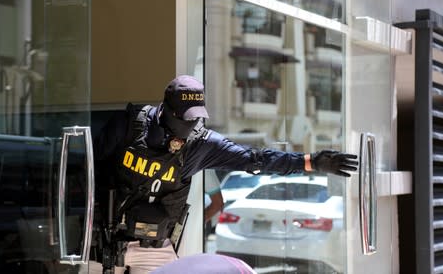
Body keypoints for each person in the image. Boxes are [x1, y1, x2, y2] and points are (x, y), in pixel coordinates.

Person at [92, 75, 358, 274]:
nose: (191, 125)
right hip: (104, 243)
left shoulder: (201, 144)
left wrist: (310, 162)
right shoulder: (128, 125)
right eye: (184, 118)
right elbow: (91, 174)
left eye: (195, 118)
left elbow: (254, 159)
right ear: (166, 111)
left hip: (154, 250)